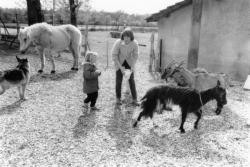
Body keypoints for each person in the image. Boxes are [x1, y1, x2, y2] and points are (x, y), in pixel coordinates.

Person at [112, 28, 139, 105]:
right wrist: (121, 68)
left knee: (131, 81)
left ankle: (135, 99)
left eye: (128, 37)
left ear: (131, 37)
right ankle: (118, 98)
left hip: (129, 63)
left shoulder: (134, 43)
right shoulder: (118, 43)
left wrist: (133, 66)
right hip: (119, 62)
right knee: (118, 81)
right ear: (122, 37)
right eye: (124, 36)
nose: (126, 38)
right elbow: (114, 56)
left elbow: (135, 56)